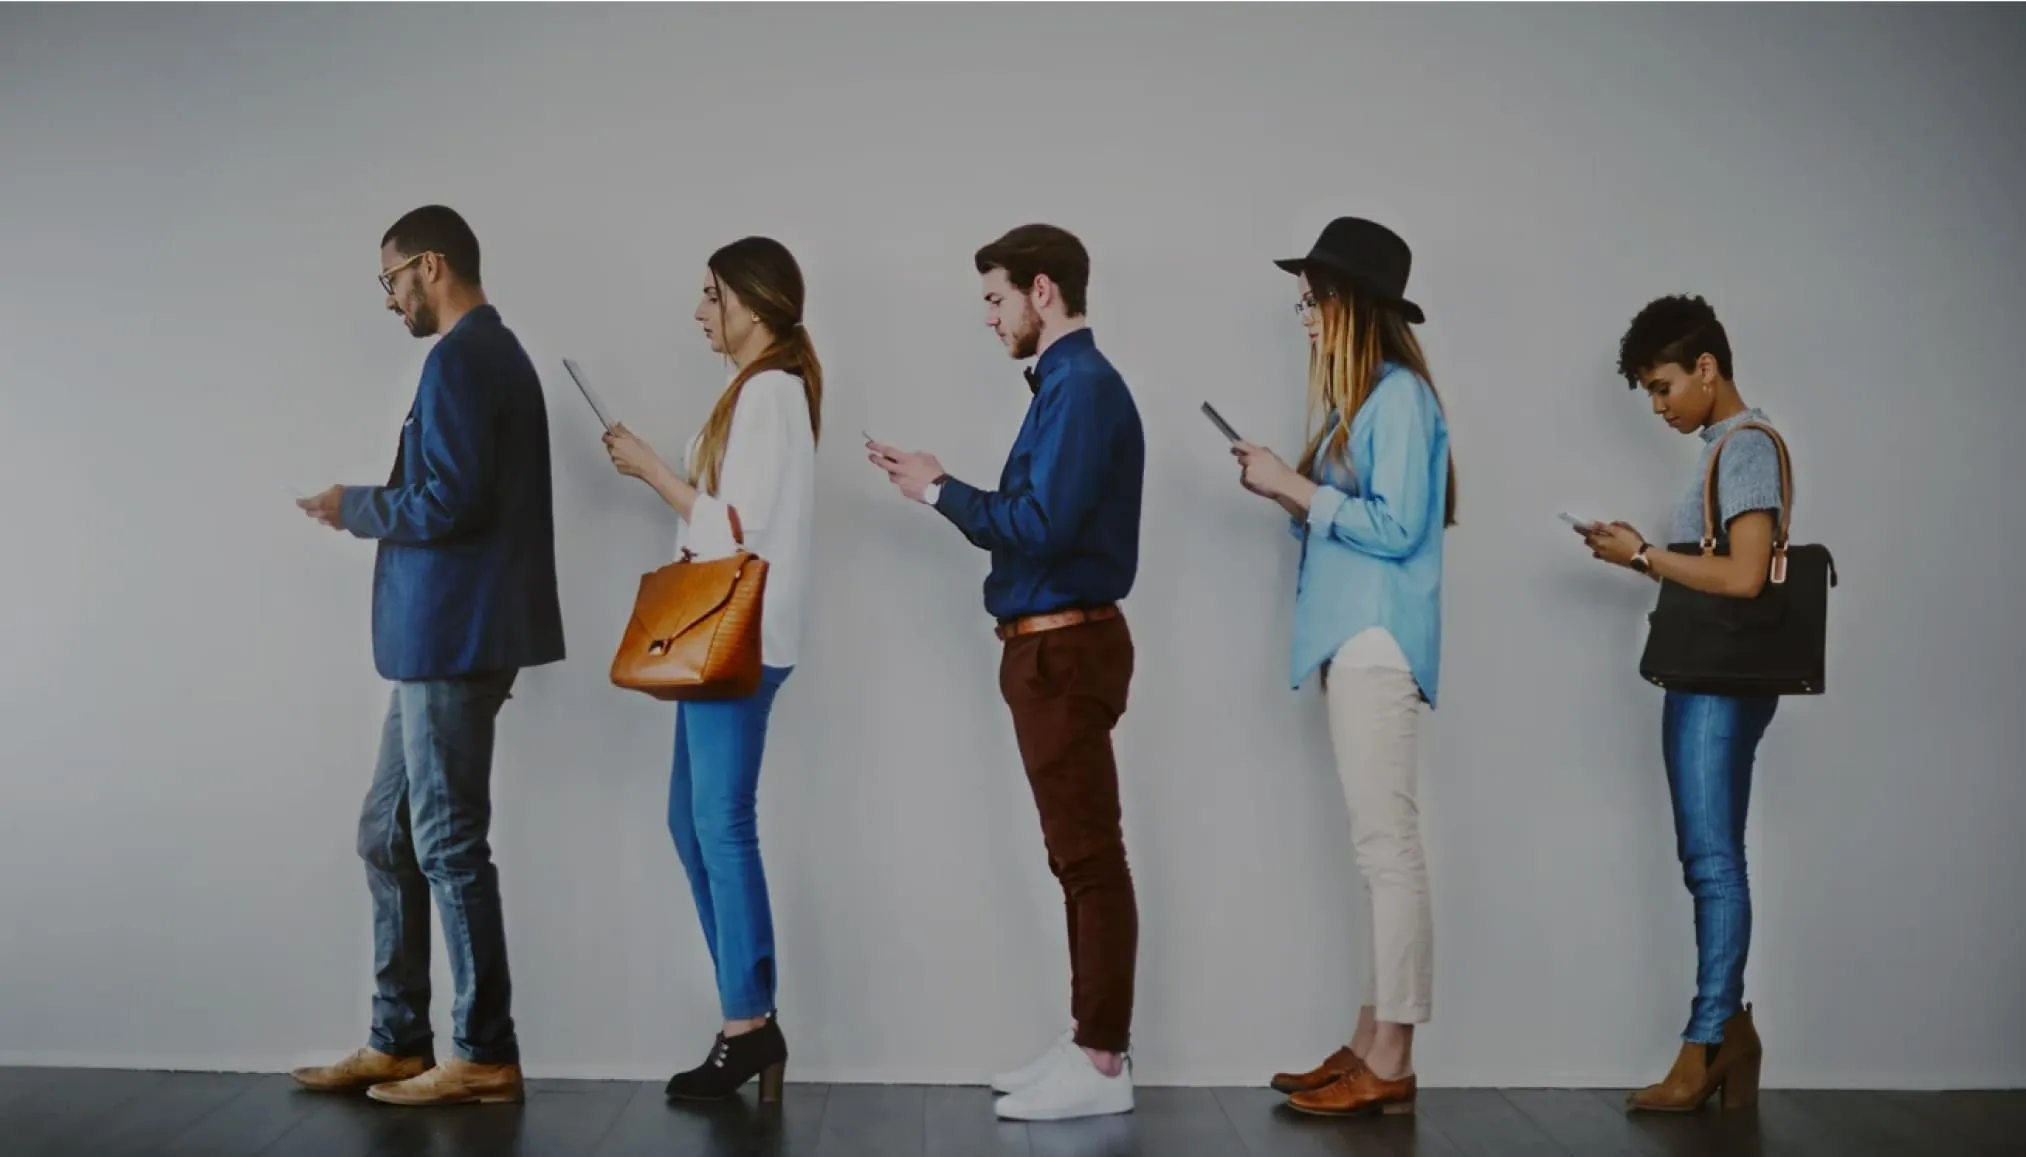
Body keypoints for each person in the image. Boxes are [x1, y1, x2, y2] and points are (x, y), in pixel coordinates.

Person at [867, 223, 1143, 1122]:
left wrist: (942, 490)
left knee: (1089, 858)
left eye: (995, 299)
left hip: (1062, 649)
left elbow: (1041, 524)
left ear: (1042, 291)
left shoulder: (1083, 386)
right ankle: (1090, 1043)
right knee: (1077, 856)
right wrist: (940, 483)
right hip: (1048, 646)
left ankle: (1101, 1061)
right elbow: (1038, 512)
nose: (989, 318)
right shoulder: (1067, 385)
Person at [291, 205, 565, 1107]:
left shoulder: (462, 358)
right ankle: (398, 1038)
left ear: (431, 266)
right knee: (387, 834)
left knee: (447, 843)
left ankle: (484, 1050)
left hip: (454, 637)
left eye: (391, 279)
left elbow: (447, 503)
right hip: (440, 642)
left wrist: (353, 505)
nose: (390, 298)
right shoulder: (488, 353)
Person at [1232, 217, 1455, 1118]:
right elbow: (1347, 519)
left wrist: (1297, 488)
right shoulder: (1358, 402)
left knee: (1388, 851)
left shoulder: (1399, 396)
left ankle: (1392, 1054)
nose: (1303, 315)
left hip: (1377, 641)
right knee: (1376, 852)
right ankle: (1369, 1039)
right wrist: (1291, 487)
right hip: (1349, 640)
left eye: (1313, 299)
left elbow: (1400, 527)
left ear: (1353, 304)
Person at [601, 236, 821, 1104]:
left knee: (718, 825)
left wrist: (653, 469)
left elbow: (739, 527)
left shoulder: (768, 392)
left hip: (741, 639)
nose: (699, 313)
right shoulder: (760, 391)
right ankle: (749, 1020)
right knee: (694, 824)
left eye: (710, 296)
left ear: (753, 305)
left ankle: (748, 1025)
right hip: (736, 638)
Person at [1576, 294, 1782, 1113]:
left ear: (1707, 368)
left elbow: (1742, 575)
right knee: (1709, 859)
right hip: (1709, 680)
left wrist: (1648, 556)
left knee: (1713, 863)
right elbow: (1718, 563)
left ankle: (1707, 1045)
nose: (1657, 406)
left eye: (1662, 387)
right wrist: (1639, 557)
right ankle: (1727, 1032)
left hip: (1718, 685)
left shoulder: (1746, 448)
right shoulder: (1722, 448)